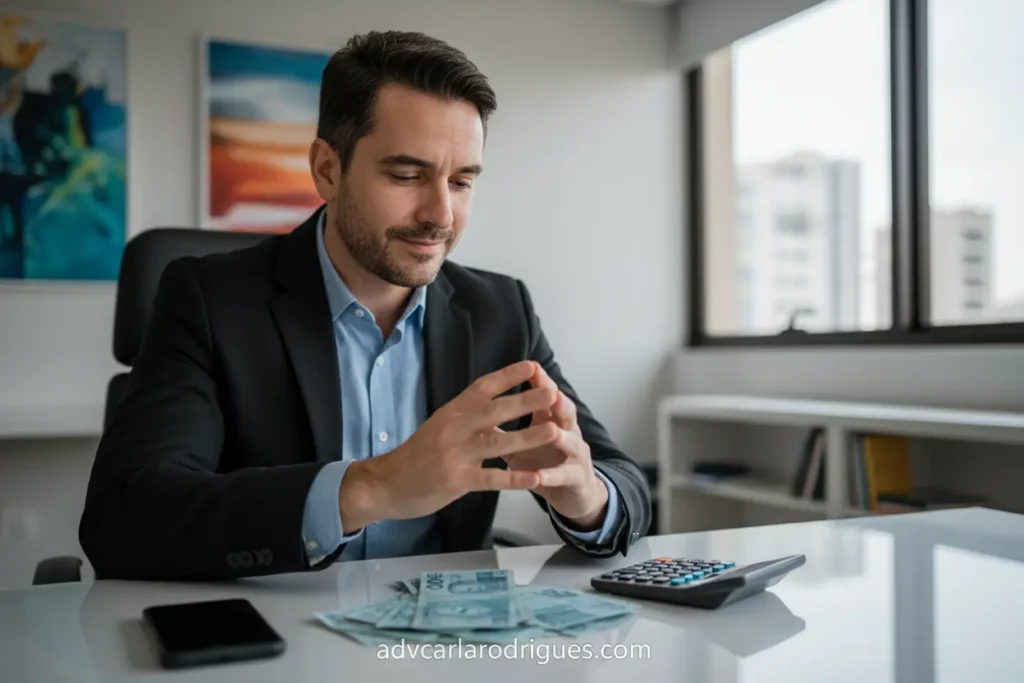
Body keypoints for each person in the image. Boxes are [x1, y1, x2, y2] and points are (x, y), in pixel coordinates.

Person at [79, 30, 651, 581]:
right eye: (407, 174)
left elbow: (625, 482)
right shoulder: (210, 299)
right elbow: (123, 519)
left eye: (461, 182)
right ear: (328, 169)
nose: (441, 215)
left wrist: (587, 497)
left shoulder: (501, 309)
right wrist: (373, 487)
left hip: (447, 645)